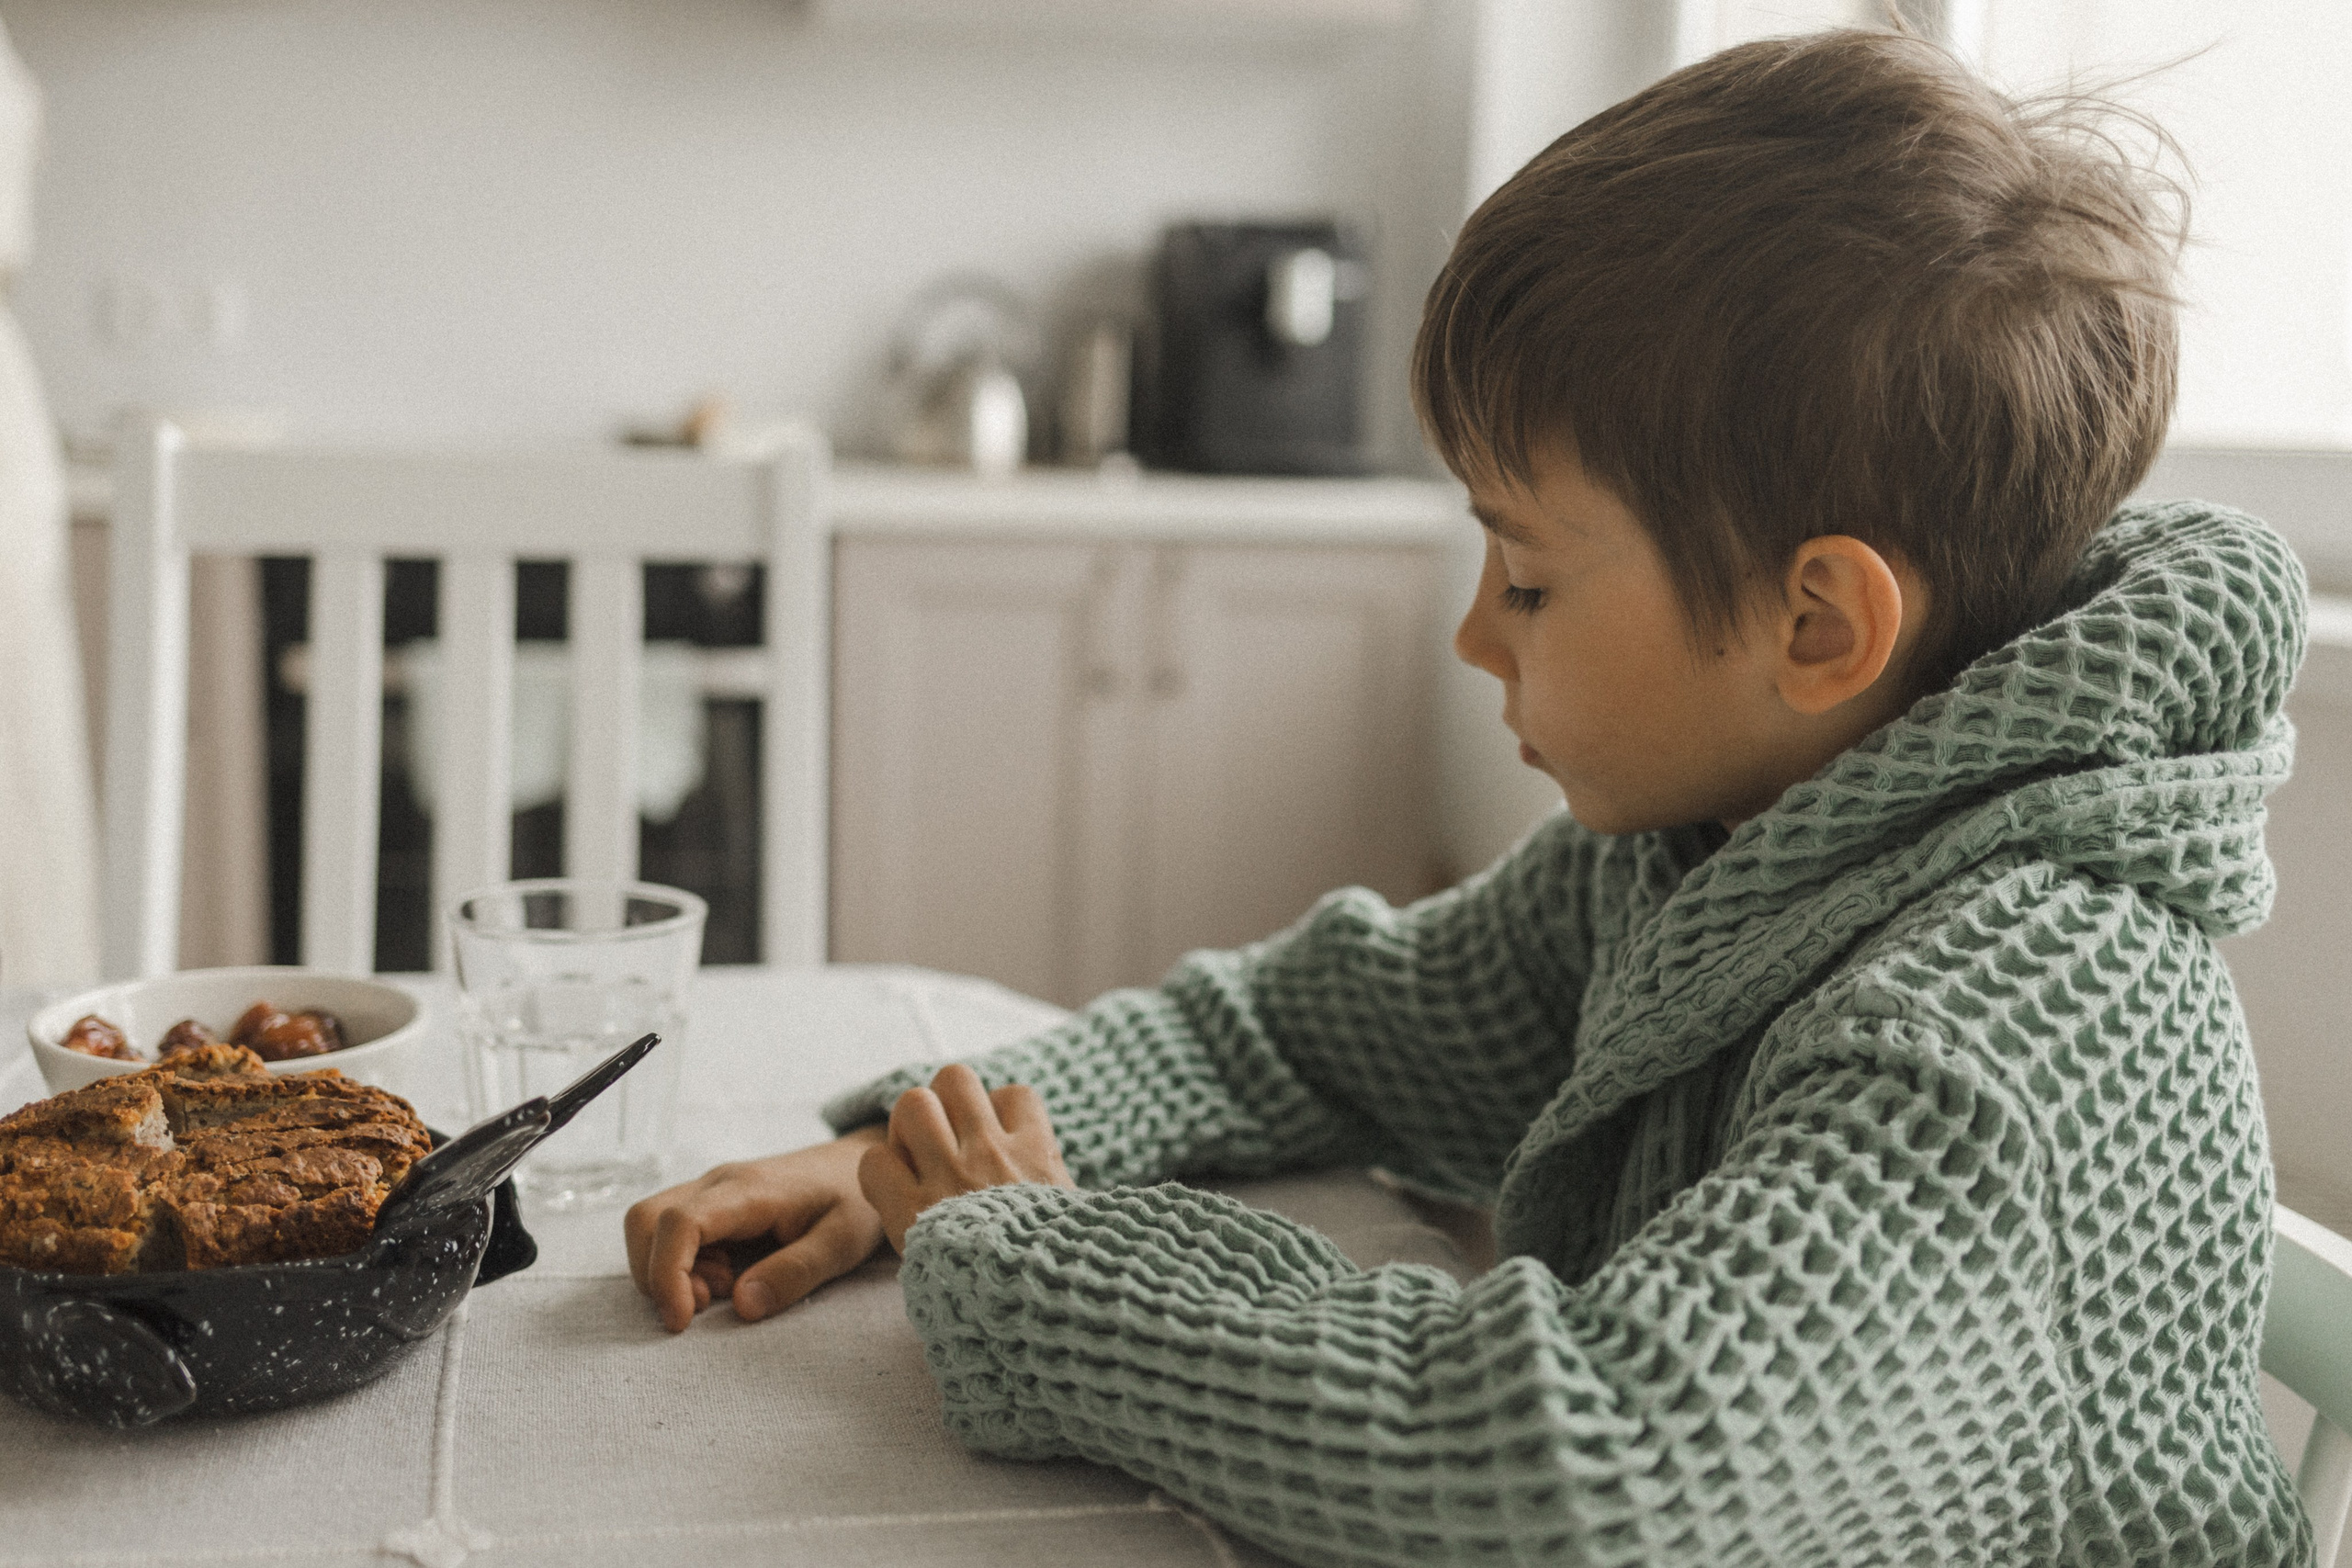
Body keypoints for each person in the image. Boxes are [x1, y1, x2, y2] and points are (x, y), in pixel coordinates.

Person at [626, 28, 2312, 1565]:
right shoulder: (1713, 861)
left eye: (1525, 578)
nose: (1468, 637)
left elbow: (1580, 1480)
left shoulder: (2010, 1034)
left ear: (1817, 626)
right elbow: (1292, 1033)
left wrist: (1034, 1260)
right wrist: (902, 1152)